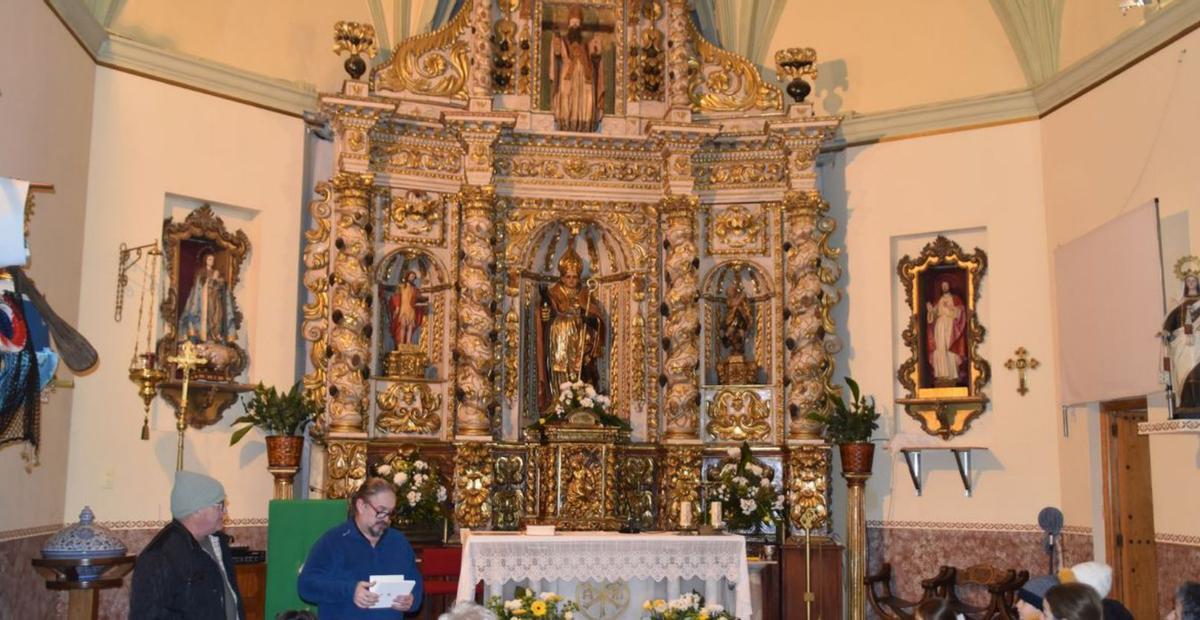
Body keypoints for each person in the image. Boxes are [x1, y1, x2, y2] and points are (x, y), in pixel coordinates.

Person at [298, 477, 424, 618]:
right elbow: (306, 585)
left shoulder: (399, 542)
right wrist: (351, 591)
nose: (386, 519)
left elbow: (416, 585)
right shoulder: (333, 541)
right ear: (361, 505)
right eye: (381, 511)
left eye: (390, 513)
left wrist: (412, 600)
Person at [129, 470, 244, 619]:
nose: (225, 512)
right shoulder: (159, 557)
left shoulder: (219, 543)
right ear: (197, 509)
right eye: (220, 505)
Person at [537, 246, 605, 410]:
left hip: (579, 336)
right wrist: (545, 314)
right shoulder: (553, 292)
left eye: (575, 277)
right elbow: (544, 313)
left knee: (579, 367)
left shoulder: (585, 293)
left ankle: (579, 404)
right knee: (560, 367)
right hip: (559, 335)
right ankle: (559, 402)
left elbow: (597, 315)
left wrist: (591, 318)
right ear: (562, 276)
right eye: (568, 277)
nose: (571, 280)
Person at [548, 5, 607, 132]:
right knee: (566, 97)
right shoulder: (563, 41)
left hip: (585, 78)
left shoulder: (586, 44)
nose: (575, 25)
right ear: (569, 24)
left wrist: (597, 51)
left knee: (588, 99)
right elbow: (557, 55)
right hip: (567, 77)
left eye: (577, 22)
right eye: (572, 22)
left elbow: (596, 60)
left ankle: (584, 122)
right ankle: (566, 121)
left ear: (580, 25)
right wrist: (556, 40)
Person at [179, 250, 232, 344]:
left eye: (212, 260)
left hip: (215, 298)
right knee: (205, 317)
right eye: (209, 259)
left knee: (216, 317)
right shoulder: (201, 272)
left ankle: (214, 335)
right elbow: (198, 286)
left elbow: (221, 286)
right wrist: (211, 280)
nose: (211, 261)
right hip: (203, 300)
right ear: (205, 260)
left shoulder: (216, 272)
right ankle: (203, 336)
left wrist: (219, 281)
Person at [925, 279, 965, 385]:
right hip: (940, 325)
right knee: (940, 348)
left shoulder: (956, 299)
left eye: (946, 285)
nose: (945, 288)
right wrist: (930, 311)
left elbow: (960, 313)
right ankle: (941, 374)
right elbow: (932, 317)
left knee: (949, 348)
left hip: (950, 325)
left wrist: (951, 309)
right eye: (943, 286)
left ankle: (952, 375)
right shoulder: (939, 300)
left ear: (950, 286)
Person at [388, 270, 425, 347]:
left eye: (414, 277)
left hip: (411, 310)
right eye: (411, 276)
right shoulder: (402, 287)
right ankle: (401, 342)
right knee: (403, 326)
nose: (412, 278)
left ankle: (408, 342)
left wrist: (422, 301)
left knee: (410, 326)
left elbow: (418, 298)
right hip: (403, 309)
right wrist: (397, 307)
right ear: (407, 277)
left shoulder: (414, 289)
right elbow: (397, 297)